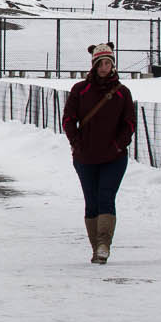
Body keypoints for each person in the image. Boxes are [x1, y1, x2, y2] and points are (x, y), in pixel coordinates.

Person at [61, 43, 136, 264]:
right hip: (85, 156)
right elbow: (68, 119)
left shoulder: (122, 92)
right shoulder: (80, 90)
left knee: (106, 196)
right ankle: (96, 248)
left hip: (114, 156)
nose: (105, 67)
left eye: (108, 63)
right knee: (91, 201)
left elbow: (129, 123)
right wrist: (76, 142)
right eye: (101, 63)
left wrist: (118, 146)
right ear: (94, 65)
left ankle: (104, 243)